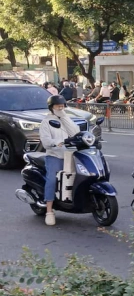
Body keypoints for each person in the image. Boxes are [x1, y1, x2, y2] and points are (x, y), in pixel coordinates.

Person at [38, 95, 81, 225]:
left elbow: (75, 132)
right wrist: (57, 142)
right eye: (58, 106)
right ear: (51, 107)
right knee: (52, 180)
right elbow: (46, 141)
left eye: (62, 106)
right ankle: (49, 211)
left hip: (69, 155)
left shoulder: (65, 118)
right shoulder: (46, 122)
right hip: (54, 155)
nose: (60, 108)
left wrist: (64, 117)